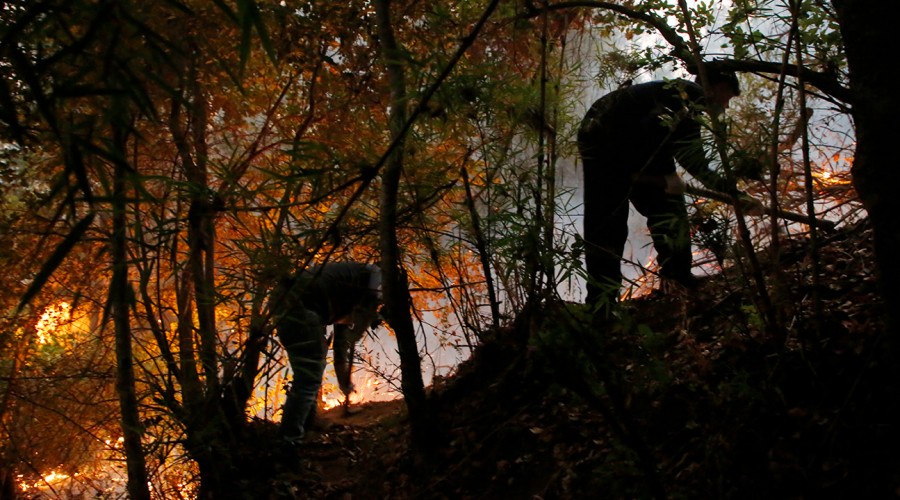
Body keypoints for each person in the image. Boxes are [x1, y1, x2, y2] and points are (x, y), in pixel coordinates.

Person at [577, 69, 760, 307]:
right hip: (608, 143)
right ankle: (670, 282)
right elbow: (653, 127)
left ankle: (609, 301)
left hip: (606, 142)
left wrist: (734, 195)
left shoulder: (683, 97)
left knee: (619, 222)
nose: (725, 107)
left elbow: (694, 161)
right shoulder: (689, 96)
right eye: (728, 98)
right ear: (718, 86)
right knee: (623, 221)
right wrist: (667, 174)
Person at [270, 261, 382, 441]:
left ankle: (307, 423)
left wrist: (343, 382)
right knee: (307, 379)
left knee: (310, 372)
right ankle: (288, 442)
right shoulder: (374, 281)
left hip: (283, 304)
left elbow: (341, 343)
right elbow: (358, 325)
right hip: (299, 308)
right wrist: (359, 329)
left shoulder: (351, 282)